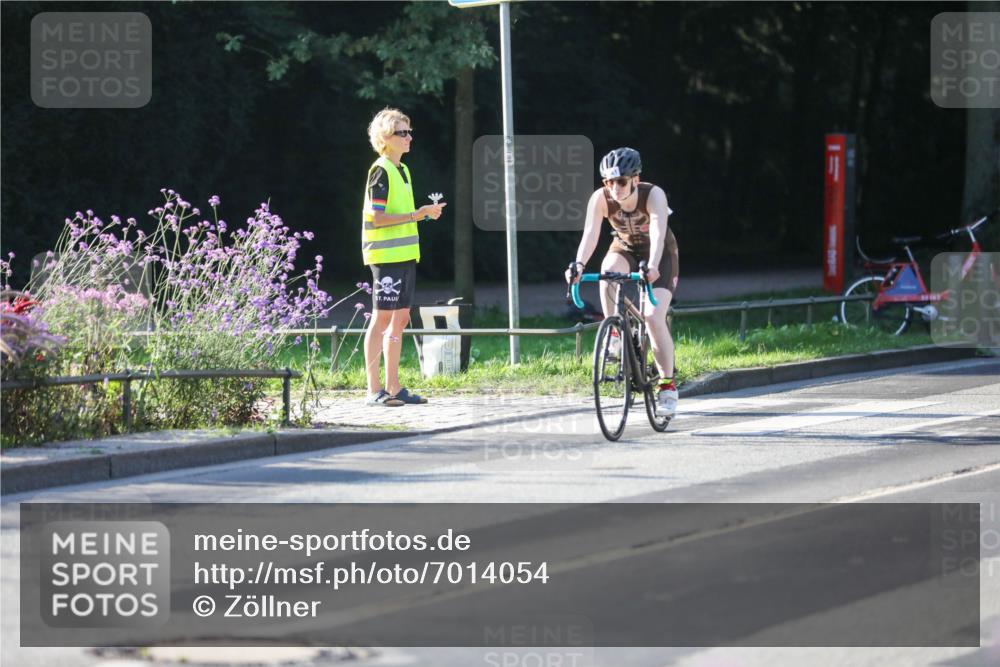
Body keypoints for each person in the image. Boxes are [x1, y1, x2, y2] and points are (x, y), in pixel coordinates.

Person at [565, 147, 680, 418]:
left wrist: (652, 266)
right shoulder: (601, 198)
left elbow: (658, 229)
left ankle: (667, 386)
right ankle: (615, 333)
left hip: (659, 254)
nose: (614, 187)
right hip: (625, 248)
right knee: (607, 273)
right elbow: (591, 234)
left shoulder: (653, 195)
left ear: (635, 179)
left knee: (652, 317)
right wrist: (578, 265)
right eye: (608, 182)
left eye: (621, 181)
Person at [362, 108, 446, 406]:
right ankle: (374, 390)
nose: (409, 137)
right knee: (382, 319)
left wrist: (423, 215)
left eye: (409, 132)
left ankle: (394, 387)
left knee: (400, 320)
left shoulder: (403, 170)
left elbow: (402, 218)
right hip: (385, 257)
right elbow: (377, 217)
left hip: (406, 255)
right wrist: (416, 214)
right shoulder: (381, 170)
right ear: (385, 138)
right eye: (402, 133)